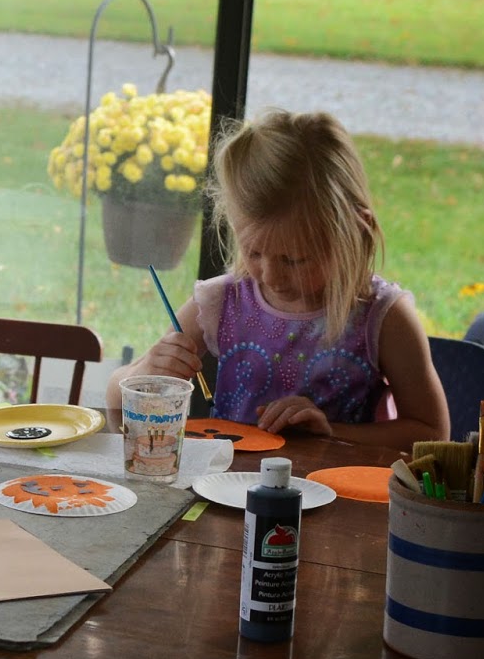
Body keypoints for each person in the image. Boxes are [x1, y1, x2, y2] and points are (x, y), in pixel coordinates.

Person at [107, 109, 448, 447]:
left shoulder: (383, 317)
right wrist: (146, 371)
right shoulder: (221, 303)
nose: (270, 276)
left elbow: (432, 432)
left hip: (336, 484)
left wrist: (331, 432)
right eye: (253, 252)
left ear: (356, 232)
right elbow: (115, 403)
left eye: (294, 260)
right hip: (227, 482)